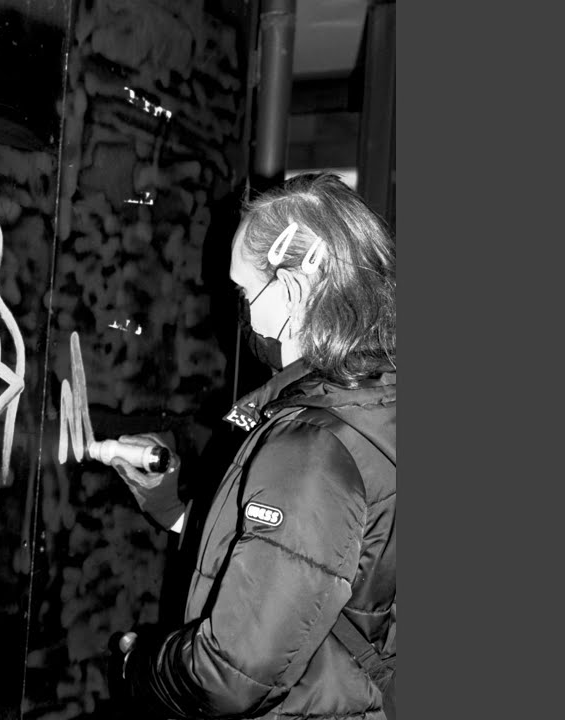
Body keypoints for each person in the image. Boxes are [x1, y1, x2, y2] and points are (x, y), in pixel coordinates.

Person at [109, 173, 397, 719]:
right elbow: (323, 561)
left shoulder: (313, 445)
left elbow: (230, 677)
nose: (243, 313)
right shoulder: (376, 401)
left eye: (245, 293)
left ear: (290, 292)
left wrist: (139, 665)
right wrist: (177, 511)